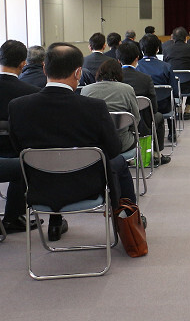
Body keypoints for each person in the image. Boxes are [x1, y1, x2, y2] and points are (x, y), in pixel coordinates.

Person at [9, 43, 136, 242]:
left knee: (51, 160)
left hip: (40, 188)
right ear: (78, 72)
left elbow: (19, 150)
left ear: (44, 69)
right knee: (119, 162)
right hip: (88, 186)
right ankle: (128, 219)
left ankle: (55, 222)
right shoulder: (94, 108)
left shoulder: (18, 107)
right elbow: (113, 149)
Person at [0, 40, 40, 233]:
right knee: (26, 162)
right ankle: (13, 216)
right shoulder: (30, 94)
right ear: (23, 63)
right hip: (17, 156)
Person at [117, 42, 170, 165]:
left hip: (118, 123)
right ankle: (157, 154)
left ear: (118, 60)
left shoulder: (114, 78)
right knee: (159, 117)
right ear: (137, 58)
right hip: (142, 123)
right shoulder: (145, 79)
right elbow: (154, 107)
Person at [81, 58, 141, 154]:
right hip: (122, 142)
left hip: (95, 144)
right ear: (119, 73)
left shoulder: (86, 90)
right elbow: (135, 119)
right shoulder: (127, 89)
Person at [137, 34, 180, 142]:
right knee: (171, 101)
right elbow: (175, 91)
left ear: (141, 50)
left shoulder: (136, 67)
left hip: (141, 107)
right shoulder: (166, 66)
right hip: (163, 106)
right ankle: (172, 132)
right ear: (157, 49)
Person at [163, 26, 190, 120]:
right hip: (189, 85)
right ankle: (187, 110)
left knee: (175, 81)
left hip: (173, 86)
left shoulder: (167, 50)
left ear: (173, 38)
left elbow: (164, 68)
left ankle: (178, 109)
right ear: (186, 38)